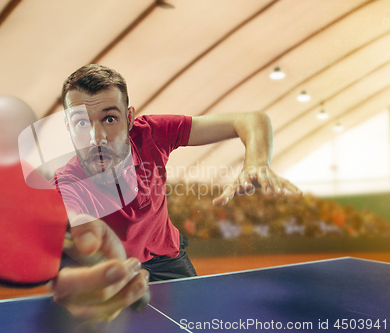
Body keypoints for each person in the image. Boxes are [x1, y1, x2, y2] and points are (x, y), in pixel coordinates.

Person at [50, 64, 302, 320]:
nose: (96, 137)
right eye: (81, 122)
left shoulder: (152, 133)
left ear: (129, 118)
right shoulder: (66, 185)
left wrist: (256, 163)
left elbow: (250, 119)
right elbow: (77, 236)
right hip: (117, 269)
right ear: (68, 126)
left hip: (168, 260)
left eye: (109, 118)